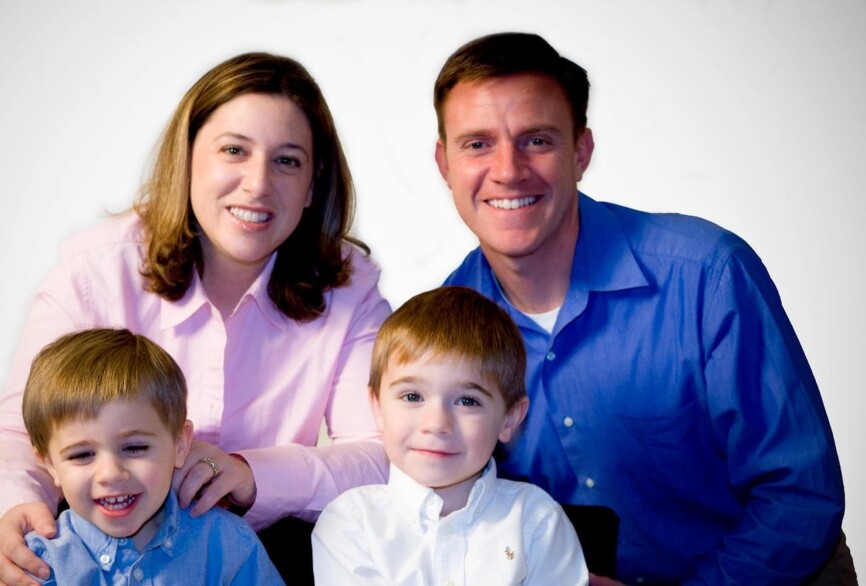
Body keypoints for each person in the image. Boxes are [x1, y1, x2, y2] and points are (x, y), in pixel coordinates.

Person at [434, 32, 853, 585]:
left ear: (581, 152)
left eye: (537, 140)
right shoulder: (445, 327)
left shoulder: (706, 274)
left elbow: (799, 495)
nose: (508, 170)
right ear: (444, 162)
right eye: (477, 144)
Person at [0, 51, 391, 585]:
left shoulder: (349, 287)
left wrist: (253, 473)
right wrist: (15, 506)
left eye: (287, 160)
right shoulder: (94, 271)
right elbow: (20, 431)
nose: (257, 184)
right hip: (102, 544)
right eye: (234, 150)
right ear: (188, 159)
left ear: (312, 182)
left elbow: (384, 457)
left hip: (261, 548)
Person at [311, 286, 589, 585]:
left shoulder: (538, 522)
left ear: (509, 418)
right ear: (378, 407)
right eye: (412, 396)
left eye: (467, 401)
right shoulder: (350, 523)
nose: (436, 424)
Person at [21, 328, 284, 584]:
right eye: (82, 454)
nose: (111, 473)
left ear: (180, 445)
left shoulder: (229, 544)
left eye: (134, 448)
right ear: (49, 465)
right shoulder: (36, 563)